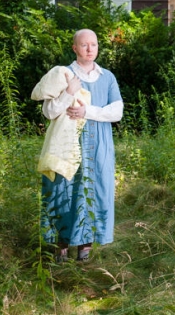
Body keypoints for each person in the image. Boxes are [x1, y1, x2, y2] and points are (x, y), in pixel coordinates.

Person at [40, 28, 123, 262]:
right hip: (67, 142)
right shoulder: (63, 74)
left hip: (99, 142)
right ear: (74, 48)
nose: (89, 49)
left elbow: (116, 111)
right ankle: (61, 245)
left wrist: (87, 111)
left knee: (95, 188)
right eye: (84, 45)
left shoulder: (107, 77)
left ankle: (85, 245)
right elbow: (49, 111)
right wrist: (69, 92)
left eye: (94, 45)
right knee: (63, 188)